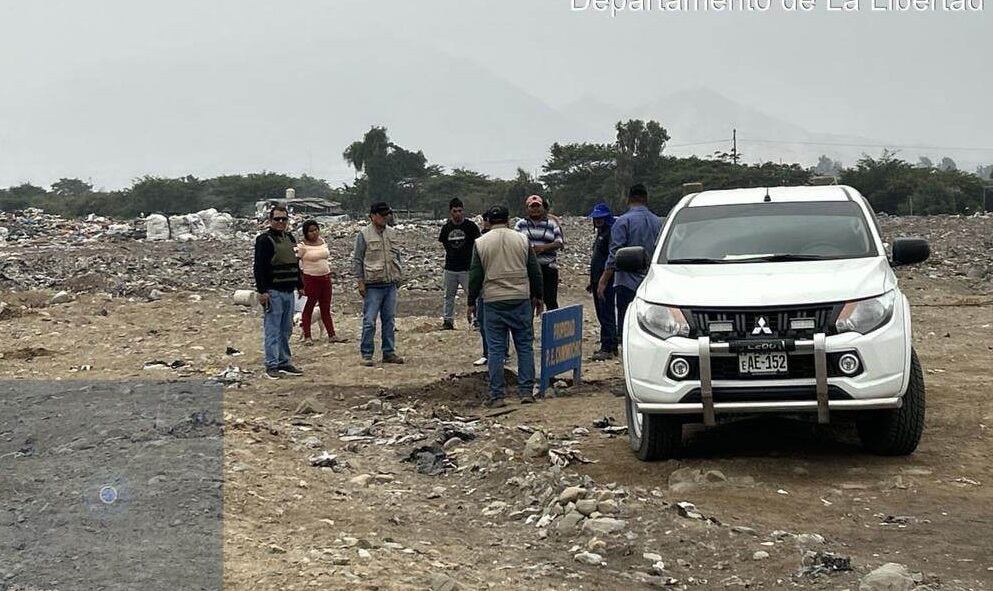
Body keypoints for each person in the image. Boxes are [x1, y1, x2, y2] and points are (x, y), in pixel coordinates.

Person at [468, 205, 544, 408]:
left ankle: (497, 395)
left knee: (495, 350)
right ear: (508, 220)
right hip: (520, 298)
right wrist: (538, 296)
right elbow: (534, 270)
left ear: (489, 222)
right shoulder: (522, 239)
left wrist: (471, 302)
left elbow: (475, 275)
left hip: (492, 301)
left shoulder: (481, 243)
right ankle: (526, 391)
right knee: (524, 346)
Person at [597, 184, 663, 342]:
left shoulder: (623, 221)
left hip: (627, 281)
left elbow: (615, 254)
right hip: (651, 280)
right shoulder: (659, 222)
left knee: (627, 323)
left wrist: (603, 280)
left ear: (629, 199)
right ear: (646, 199)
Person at [253, 205, 304, 380]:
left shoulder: (290, 238)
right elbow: (259, 267)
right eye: (277, 219)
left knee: (287, 329)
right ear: (270, 220)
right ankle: (272, 364)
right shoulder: (264, 240)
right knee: (273, 329)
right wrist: (262, 291)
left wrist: (300, 284)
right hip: (273, 291)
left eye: (284, 219)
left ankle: (284, 362)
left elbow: (295, 264)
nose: (281, 222)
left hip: (289, 291)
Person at [353, 201, 405, 366]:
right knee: (369, 321)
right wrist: (360, 281)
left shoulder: (392, 233)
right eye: (382, 215)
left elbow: (397, 256)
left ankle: (388, 352)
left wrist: (399, 276)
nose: (385, 217)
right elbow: (358, 259)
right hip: (373, 284)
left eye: (387, 214)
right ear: (373, 216)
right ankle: (366, 354)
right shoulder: (364, 234)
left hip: (390, 283)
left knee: (389, 320)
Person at [296, 220, 347, 345]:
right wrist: (299, 282)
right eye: (311, 231)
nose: (314, 233)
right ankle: (307, 336)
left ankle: (332, 335)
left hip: (325, 278)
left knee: (325, 307)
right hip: (310, 279)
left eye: (316, 230)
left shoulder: (323, 242)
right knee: (309, 307)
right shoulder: (302, 246)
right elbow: (296, 264)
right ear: (306, 233)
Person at [514, 194, 564, 310]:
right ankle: (527, 327)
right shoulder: (520, 224)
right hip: (527, 269)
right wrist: (530, 249)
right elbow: (515, 242)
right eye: (532, 206)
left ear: (542, 208)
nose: (535, 209)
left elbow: (559, 242)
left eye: (538, 206)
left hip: (548, 268)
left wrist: (542, 248)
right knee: (528, 302)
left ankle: (552, 327)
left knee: (551, 301)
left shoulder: (552, 224)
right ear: (527, 209)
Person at [438, 197, 481, 330]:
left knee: (473, 295)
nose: (458, 214)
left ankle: (477, 320)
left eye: (460, 211)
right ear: (450, 212)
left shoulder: (471, 227)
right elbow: (444, 244)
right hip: (450, 267)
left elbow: (478, 244)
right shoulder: (446, 228)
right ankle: (448, 321)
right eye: (455, 211)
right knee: (449, 296)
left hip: (467, 268)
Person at [588, 203, 617, 360]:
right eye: (596, 218)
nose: (598, 221)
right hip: (596, 279)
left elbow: (611, 259)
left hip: (605, 280)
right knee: (601, 313)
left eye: (601, 218)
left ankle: (608, 346)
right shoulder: (600, 233)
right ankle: (609, 343)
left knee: (606, 313)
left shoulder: (609, 234)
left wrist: (603, 281)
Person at [473, 209, 492, 366]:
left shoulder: (512, 239)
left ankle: (500, 353)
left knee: (498, 324)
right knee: (483, 321)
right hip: (484, 288)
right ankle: (487, 353)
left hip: (496, 288)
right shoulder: (480, 240)